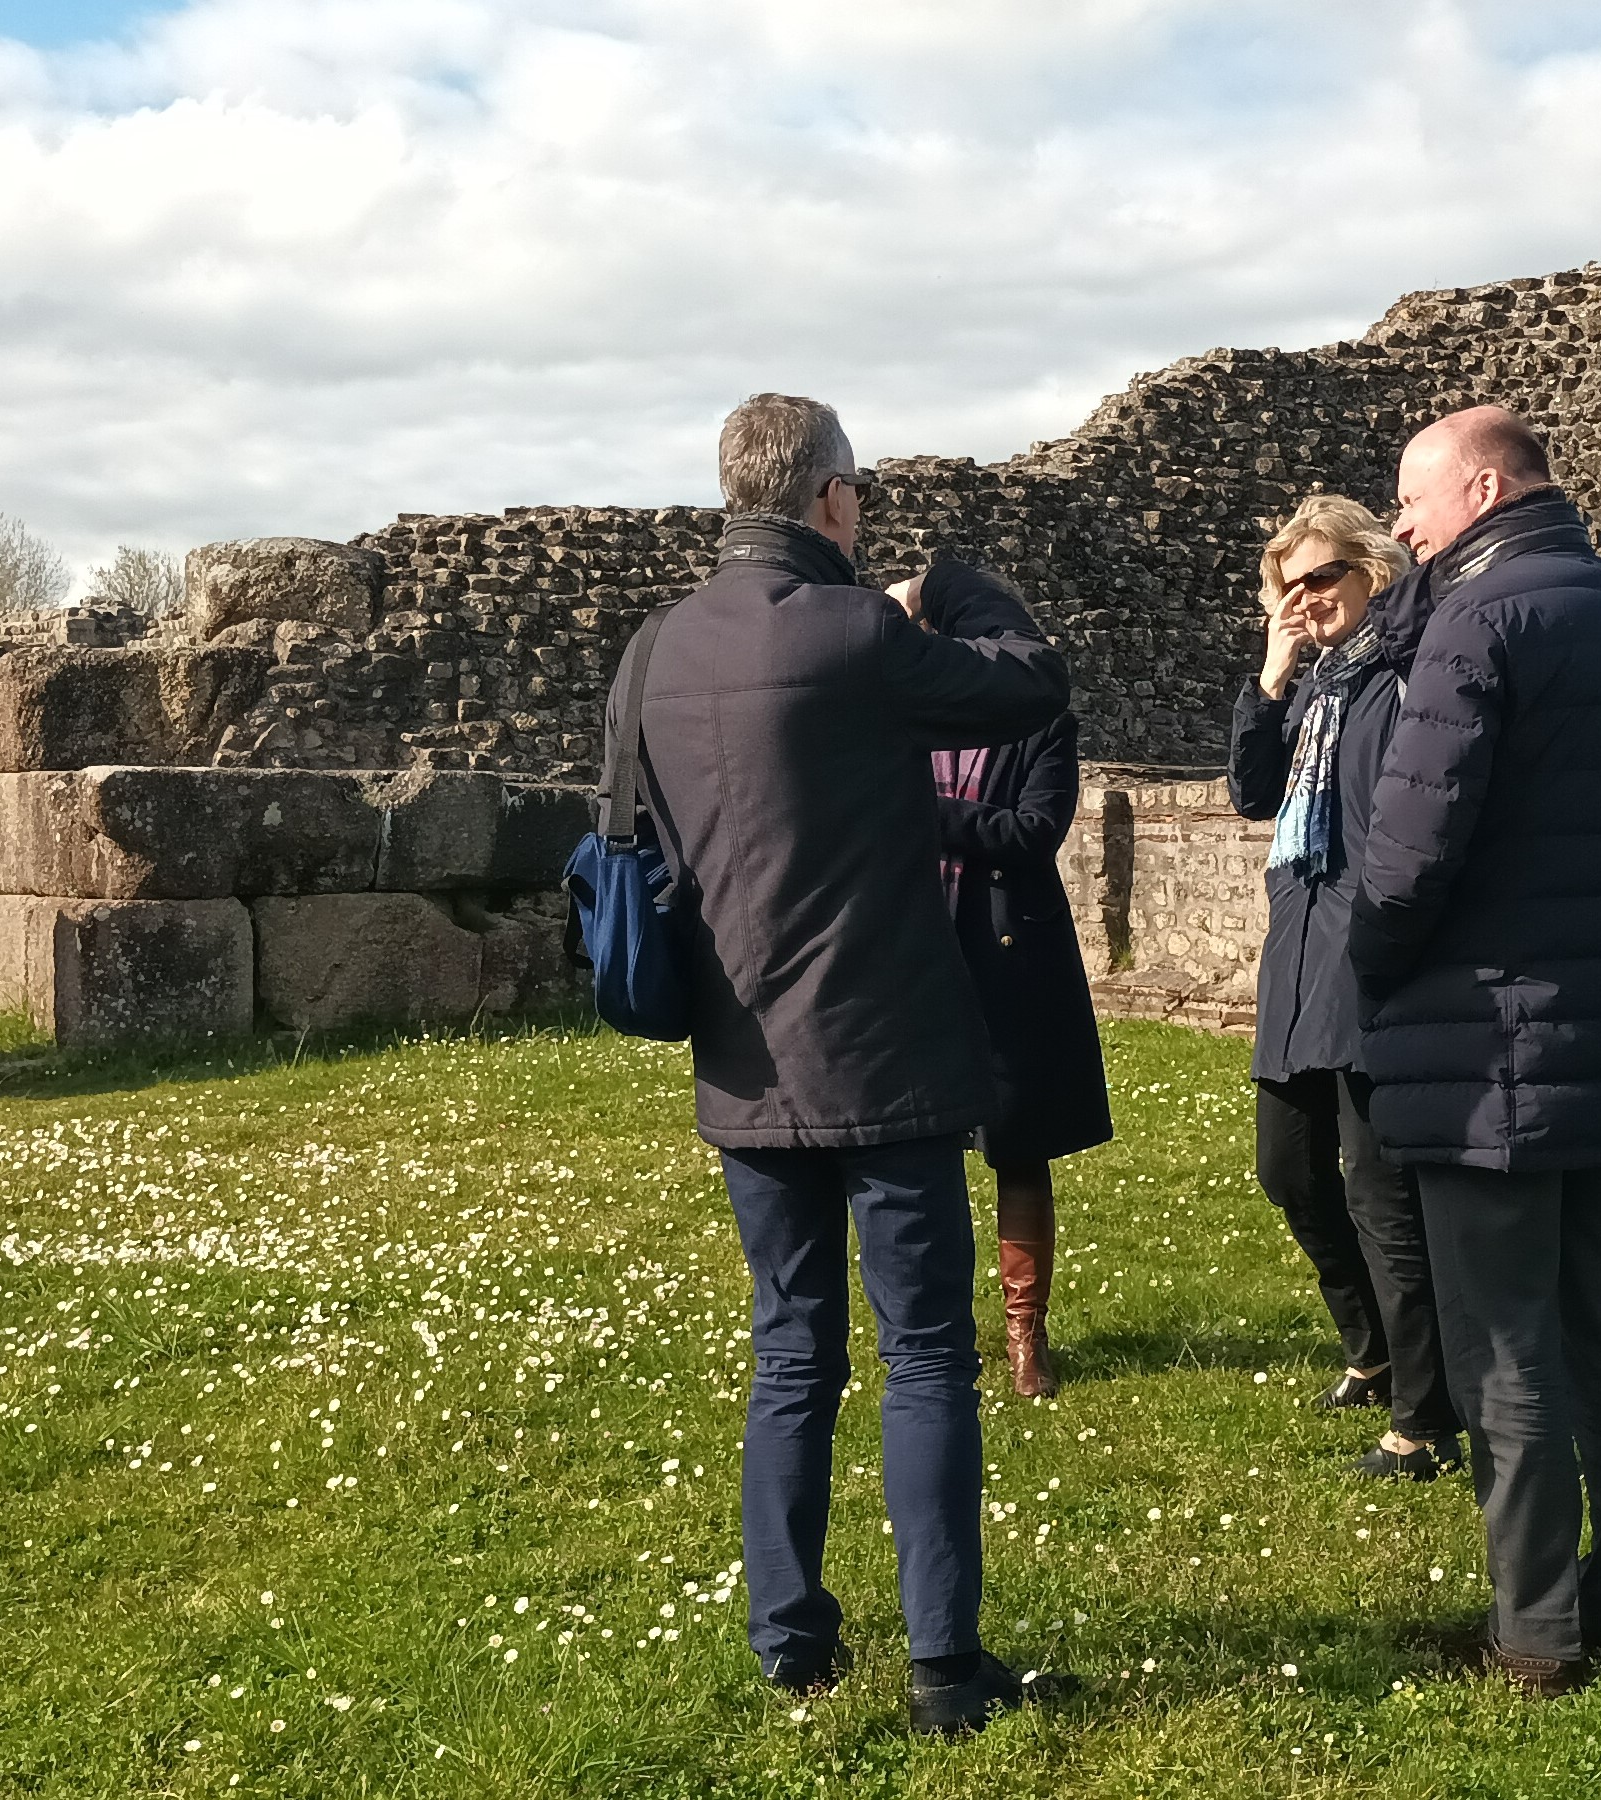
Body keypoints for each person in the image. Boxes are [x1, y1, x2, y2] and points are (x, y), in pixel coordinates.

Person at [613, 392, 1069, 1735]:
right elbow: (1028, 683)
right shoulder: (860, 631)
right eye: (855, 492)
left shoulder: (656, 650)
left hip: (744, 1053)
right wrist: (960, 584)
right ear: (825, 498)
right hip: (885, 1052)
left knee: (790, 1352)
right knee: (926, 1356)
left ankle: (791, 1643)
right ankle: (941, 1667)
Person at [1349, 405, 1601, 1695]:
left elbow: (1403, 861)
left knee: (1500, 1342)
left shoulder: (1471, 624)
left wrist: (1375, 964)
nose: (1400, 527)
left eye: (1411, 501)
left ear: (1479, 486)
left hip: (1484, 1039)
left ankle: (1535, 1635)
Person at [1229, 494, 1464, 1481]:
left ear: (1373, 571)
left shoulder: (1401, 677)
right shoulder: (1316, 688)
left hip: (1363, 962)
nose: (1305, 598)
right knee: (1287, 1170)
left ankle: (1425, 1418)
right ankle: (1371, 1347)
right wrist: (1273, 680)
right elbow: (1250, 792)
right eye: (1287, 586)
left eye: (1321, 577)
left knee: (1381, 1195)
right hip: (1297, 957)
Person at [911, 660, 1114, 1398]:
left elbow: (1031, 831)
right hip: (909, 954)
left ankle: (1026, 1334)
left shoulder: (1041, 726)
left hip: (1005, 959)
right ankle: (926, 1330)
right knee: (911, 1157)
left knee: (1019, 1152)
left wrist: (914, 807)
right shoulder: (894, 722)